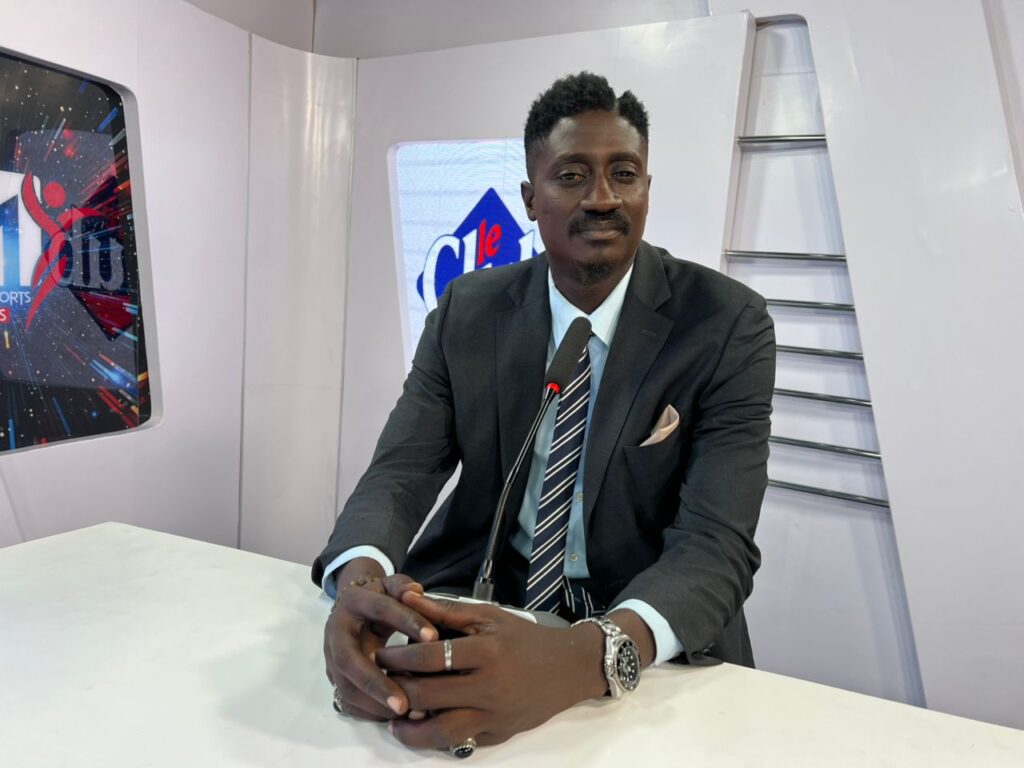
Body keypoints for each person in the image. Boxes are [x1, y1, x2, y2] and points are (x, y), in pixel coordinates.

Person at [313, 71, 775, 754]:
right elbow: (400, 473)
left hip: (645, 628)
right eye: (572, 175)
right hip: (486, 596)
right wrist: (362, 586)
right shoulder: (467, 310)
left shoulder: (727, 324)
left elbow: (716, 543)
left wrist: (585, 658)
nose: (603, 197)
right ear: (530, 199)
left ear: (647, 189)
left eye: (624, 174)